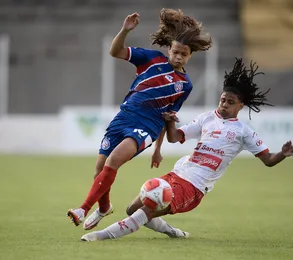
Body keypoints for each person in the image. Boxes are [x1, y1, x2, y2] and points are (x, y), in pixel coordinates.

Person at [79, 58, 293, 241]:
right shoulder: (207, 118)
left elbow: (267, 159)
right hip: (178, 173)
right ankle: (173, 233)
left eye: (230, 102)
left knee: (146, 210)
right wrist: (171, 122)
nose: (224, 104)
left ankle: (101, 236)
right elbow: (174, 138)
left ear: (241, 106)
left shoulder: (243, 131)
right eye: (222, 100)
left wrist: (281, 155)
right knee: (132, 209)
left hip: (195, 186)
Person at [66, 8, 212, 230]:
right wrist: (124, 31)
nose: (178, 57)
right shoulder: (152, 59)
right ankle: (104, 208)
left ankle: (83, 208)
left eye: (183, 54)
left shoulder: (185, 85)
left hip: (147, 126)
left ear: (190, 55)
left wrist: (157, 148)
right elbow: (115, 52)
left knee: (113, 161)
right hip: (123, 118)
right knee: (99, 170)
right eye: (175, 52)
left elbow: (168, 118)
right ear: (170, 49)